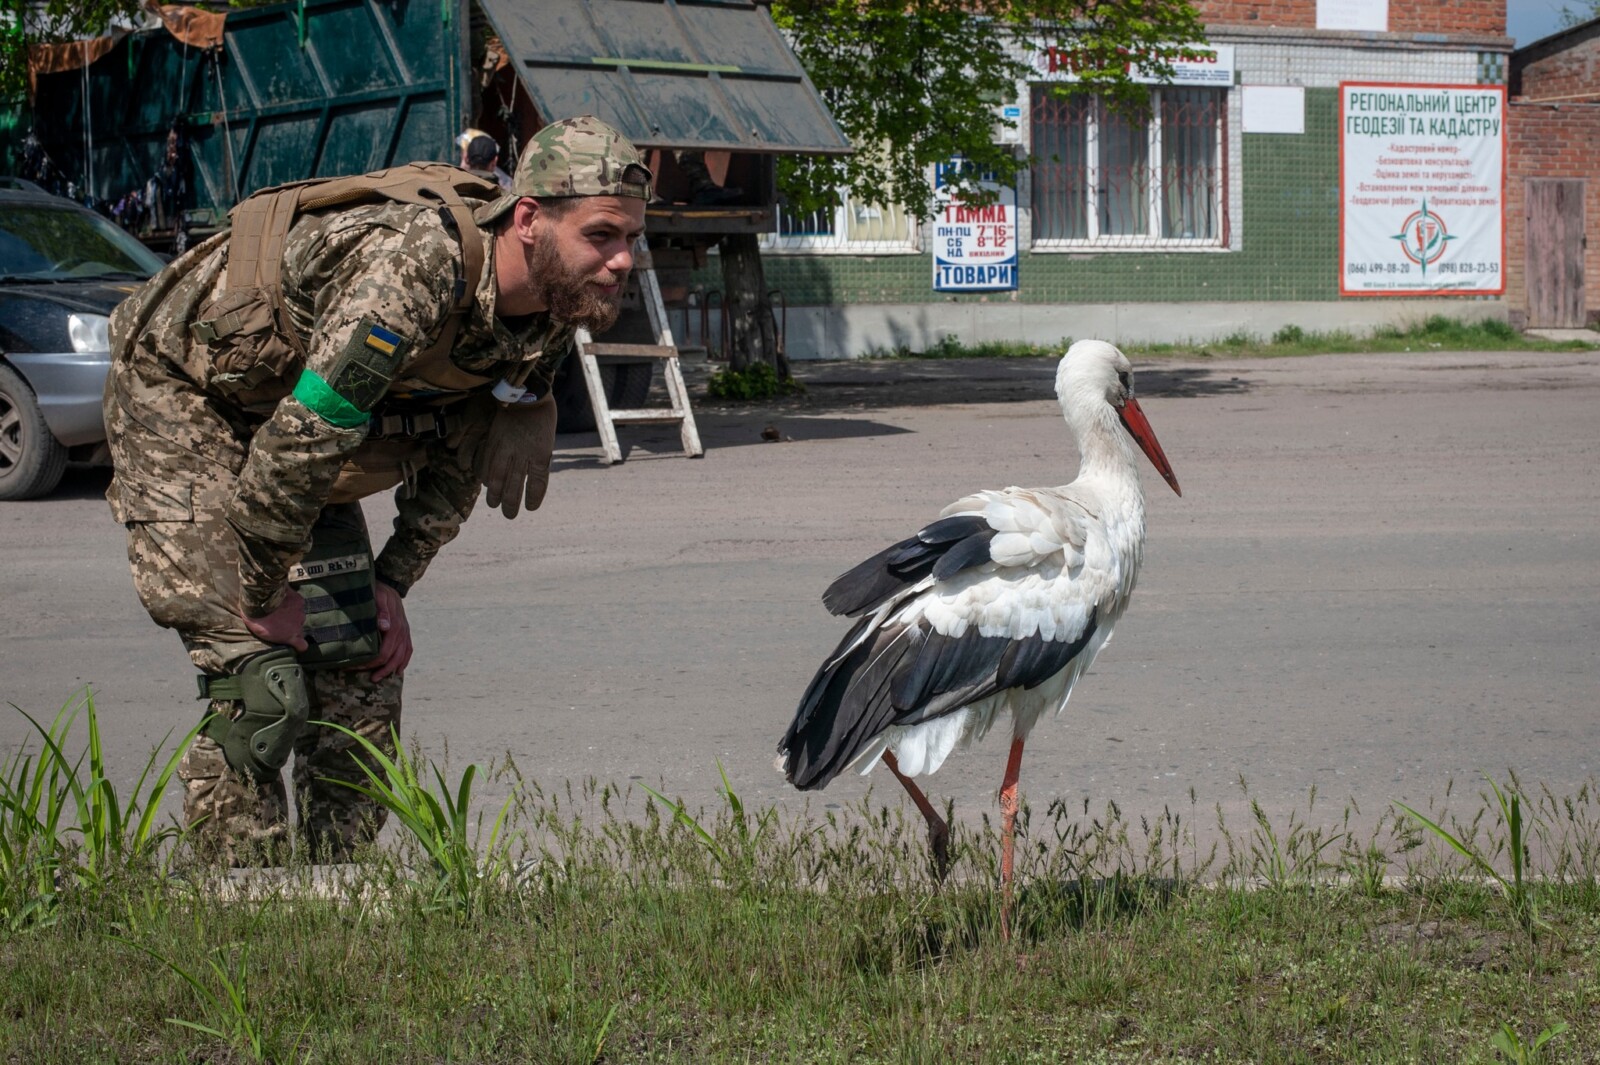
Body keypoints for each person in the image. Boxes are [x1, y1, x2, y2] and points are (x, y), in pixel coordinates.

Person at [103, 116, 651, 863]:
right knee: (261, 682)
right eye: (601, 236)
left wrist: (389, 583)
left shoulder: (548, 308)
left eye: (631, 239)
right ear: (528, 219)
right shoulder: (411, 272)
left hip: (287, 421)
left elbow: (459, 458)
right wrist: (263, 594)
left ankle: (339, 895)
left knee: (364, 666)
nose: (622, 261)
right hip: (188, 395)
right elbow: (304, 440)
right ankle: (242, 905)